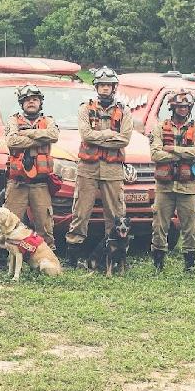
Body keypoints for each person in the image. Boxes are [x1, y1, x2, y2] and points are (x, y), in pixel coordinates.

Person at [65, 66, 133, 269]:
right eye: (101, 85)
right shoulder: (85, 108)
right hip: (88, 166)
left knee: (115, 213)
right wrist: (109, 135)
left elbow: (125, 139)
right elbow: (86, 135)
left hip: (113, 168)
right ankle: (72, 257)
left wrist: (100, 138)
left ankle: (115, 257)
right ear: (96, 87)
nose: (105, 89)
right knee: (81, 212)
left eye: (108, 85)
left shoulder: (124, 110)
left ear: (114, 87)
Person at [0, 84, 60, 272]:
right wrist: (40, 137)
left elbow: (53, 135)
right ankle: (1, 260)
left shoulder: (48, 121)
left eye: (35, 99)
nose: (31, 102)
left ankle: (46, 258)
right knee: (6, 222)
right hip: (18, 183)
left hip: (40, 183)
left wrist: (27, 133)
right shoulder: (13, 120)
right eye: (27, 99)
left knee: (45, 224)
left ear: (40, 102)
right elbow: (12, 141)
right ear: (22, 103)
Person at [149, 90, 195, 272]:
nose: (183, 109)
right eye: (179, 106)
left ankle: (190, 264)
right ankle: (158, 263)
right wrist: (182, 156)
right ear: (172, 107)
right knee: (159, 225)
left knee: (190, 226)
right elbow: (155, 154)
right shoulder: (159, 128)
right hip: (164, 187)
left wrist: (173, 149)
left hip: (187, 186)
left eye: (186, 106)